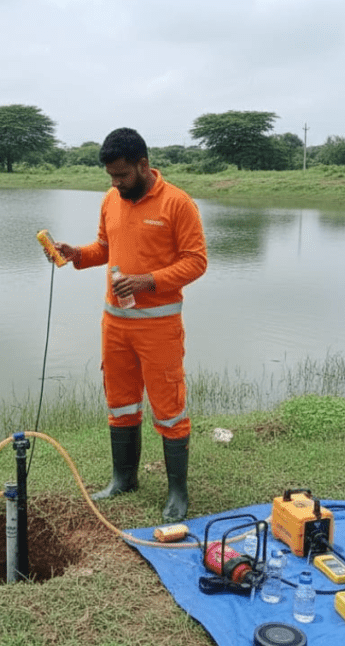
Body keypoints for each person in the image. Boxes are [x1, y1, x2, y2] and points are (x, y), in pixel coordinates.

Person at [52, 128, 208, 523]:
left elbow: (196, 261)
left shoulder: (178, 204)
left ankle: (177, 493)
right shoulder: (110, 200)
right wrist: (77, 254)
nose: (116, 184)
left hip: (159, 327)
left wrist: (148, 281)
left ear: (143, 165)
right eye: (111, 177)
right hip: (115, 325)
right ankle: (124, 479)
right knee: (121, 403)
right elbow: (105, 247)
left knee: (170, 410)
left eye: (122, 175)